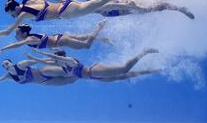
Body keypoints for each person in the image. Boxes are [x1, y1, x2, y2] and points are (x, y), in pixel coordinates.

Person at [0, 0, 147, 38]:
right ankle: (127, 4)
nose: (13, 17)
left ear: (14, 10)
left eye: (11, 14)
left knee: (100, 2)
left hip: (66, 13)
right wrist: (61, 0)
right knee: (100, 8)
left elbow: (7, 32)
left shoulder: (23, 14)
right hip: (66, 4)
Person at [26, 48, 160, 82]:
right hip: (95, 78)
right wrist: (33, 58)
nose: (55, 61)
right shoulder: (63, 66)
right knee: (123, 76)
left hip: (94, 71)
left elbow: (53, 58)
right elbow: (46, 61)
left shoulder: (70, 61)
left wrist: (40, 52)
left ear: (61, 57)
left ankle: (144, 52)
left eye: (57, 59)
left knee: (125, 68)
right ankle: (149, 70)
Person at [0, 20, 113, 58]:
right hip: (58, 37)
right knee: (83, 36)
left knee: (87, 45)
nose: (15, 37)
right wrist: (54, 51)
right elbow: (47, 45)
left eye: (17, 34)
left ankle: (100, 26)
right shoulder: (29, 39)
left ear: (24, 34)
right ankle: (102, 39)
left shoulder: (29, 39)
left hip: (62, 40)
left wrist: (3, 48)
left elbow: (18, 45)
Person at [0, 58, 77, 86]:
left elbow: (37, 60)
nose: (5, 66)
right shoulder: (10, 76)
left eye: (6, 63)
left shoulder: (21, 64)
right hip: (44, 82)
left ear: (11, 63)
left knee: (69, 72)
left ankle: (80, 66)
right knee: (71, 80)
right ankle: (91, 75)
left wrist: (54, 60)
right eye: (3, 66)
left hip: (44, 72)